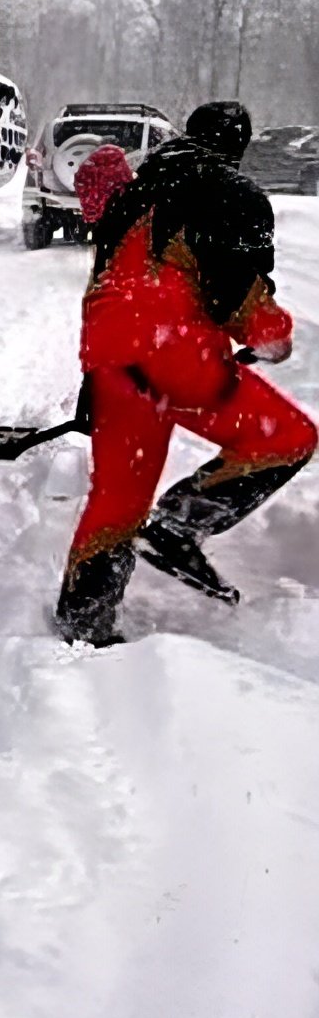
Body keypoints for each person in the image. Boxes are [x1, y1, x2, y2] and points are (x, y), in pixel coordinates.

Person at [56, 101, 316, 646]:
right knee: (289, 437)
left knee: (118, 496)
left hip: (110, 354)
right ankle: (177, 527)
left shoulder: (136, 191)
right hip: (176, 353)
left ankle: (84, 623)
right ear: (237, 146)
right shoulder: (230, 192)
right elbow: (237, 295)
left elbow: (112, 277)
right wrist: (273, 335)